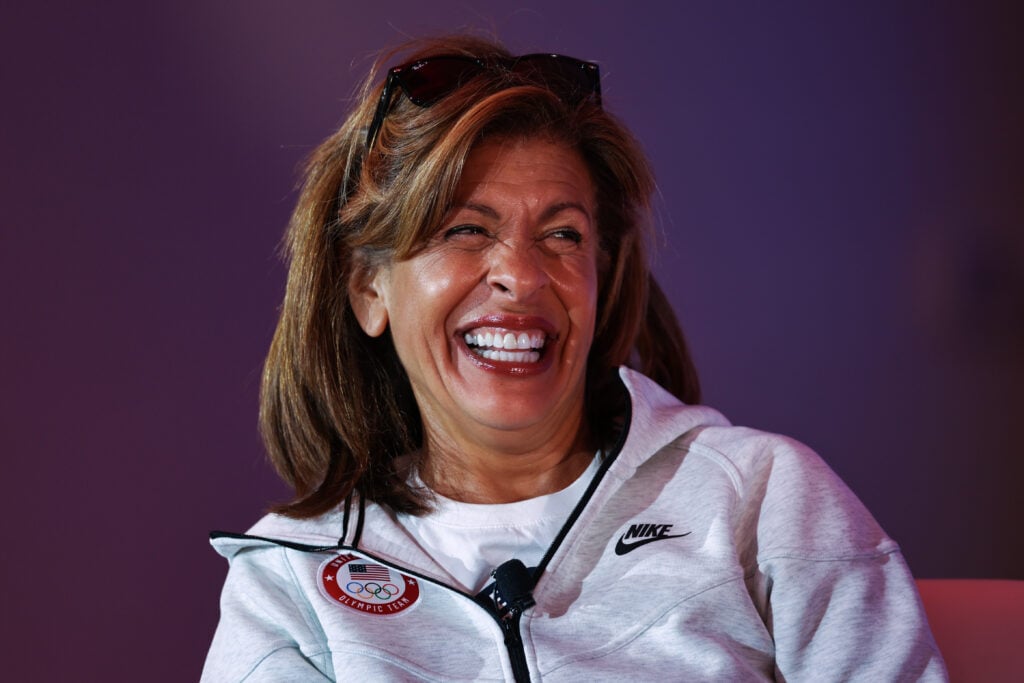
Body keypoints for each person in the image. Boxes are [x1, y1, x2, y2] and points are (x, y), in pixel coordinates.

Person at [202, 35, 947, 681]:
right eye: (466, 229)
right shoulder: (289, 579)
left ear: (604, 274)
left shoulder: (766, 498)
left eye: (562, 235)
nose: (522, 278)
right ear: (369, 287)